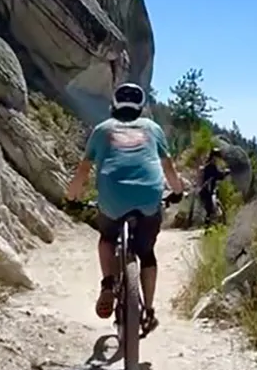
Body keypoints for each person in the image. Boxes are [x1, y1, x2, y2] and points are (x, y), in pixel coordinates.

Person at [64, 82, 184, 335]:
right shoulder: (152, 128)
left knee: (107, 237)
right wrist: (177, 192)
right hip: (149, 196)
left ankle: (108, 284)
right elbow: (169, 168)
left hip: (112, 196)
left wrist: (72, 198)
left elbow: (83, 171)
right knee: (147, 253)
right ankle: (148, 311)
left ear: (114, 105)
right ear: (140, 107)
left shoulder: (102, 130)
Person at [198, 148, 230, 225]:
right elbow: (218, 175)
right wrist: (225, 172)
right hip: (207, 190)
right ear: (213, 157)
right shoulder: (210, 167)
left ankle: (211, 223)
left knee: (211, 207)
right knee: (210, 208)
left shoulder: (210, 165)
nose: (217, 159)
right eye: (216, 157)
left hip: (208, 189)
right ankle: (208, 226)